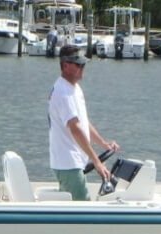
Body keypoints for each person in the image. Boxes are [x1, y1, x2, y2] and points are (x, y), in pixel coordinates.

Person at [47, 45, 120, 201]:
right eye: (78, 64)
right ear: (65, 65)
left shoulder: (75, 89)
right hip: (68, 163)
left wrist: (103, 143)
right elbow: (75, 129)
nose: (82, 68)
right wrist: (97, 162)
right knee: (82, 208)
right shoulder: (63, 92)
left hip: (73, 163)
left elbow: (83, 122)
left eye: (83, 64)